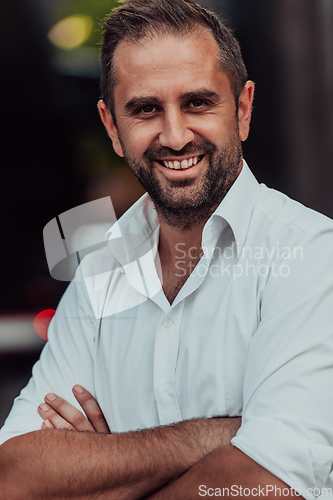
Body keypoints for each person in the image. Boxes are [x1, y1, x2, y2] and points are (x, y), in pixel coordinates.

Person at [1, 0, 333, 498]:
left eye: (198, 103)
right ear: (112, 126)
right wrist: (215, 436)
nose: (175, 136)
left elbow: (268, 483)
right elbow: (15, 475)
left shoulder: (311, 256)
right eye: (145, 109)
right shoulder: (99, 277)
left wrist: (105, 472)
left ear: (242, 109)